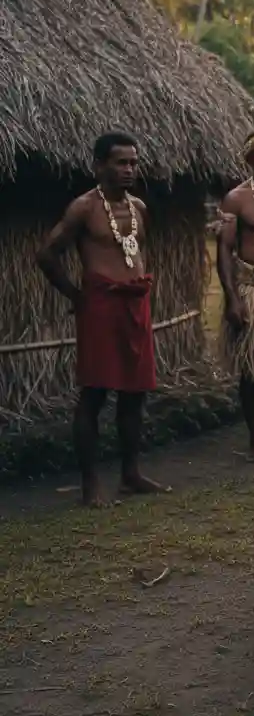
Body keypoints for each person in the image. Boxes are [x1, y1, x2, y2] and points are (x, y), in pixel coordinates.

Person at [36, 132, 170, 507]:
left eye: (133, 163)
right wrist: (76, 295)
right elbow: (47, 254)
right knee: (94, 392)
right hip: (100, 305)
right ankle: (91, 483)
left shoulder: (139, 207)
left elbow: (136, 252)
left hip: (135, 304)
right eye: (120, 162)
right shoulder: (84, 208)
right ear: (99, 166)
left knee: (135, 392)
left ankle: (130, 474)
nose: (129, 169)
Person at [217, 129, 254, 462]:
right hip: (251, 289)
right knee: (252, 370)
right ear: (250, 159)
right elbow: (224, 250)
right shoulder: (236, 199)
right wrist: (232, 298)